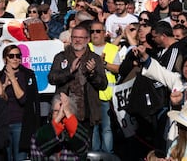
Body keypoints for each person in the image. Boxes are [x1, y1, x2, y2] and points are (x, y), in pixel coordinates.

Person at [0, 45, 40, 161]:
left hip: (20, 123)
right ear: (5, 59)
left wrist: (13, 79)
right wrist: (4, 85)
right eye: (11, 56)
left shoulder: (27, 75)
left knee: (20, 158)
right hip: (3, 123)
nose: (15, 59)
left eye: (18, 56)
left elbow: (23, 99)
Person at [48, 25, 108, 131]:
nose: (77, 40)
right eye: (74, 37)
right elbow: (52, 79)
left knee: (85, 146)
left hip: (86, 114)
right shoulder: (61, 57)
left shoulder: (95, 58)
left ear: (88, 39)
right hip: (64, 113)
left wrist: (92, 74)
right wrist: (69, 71)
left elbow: (103, 85)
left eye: (81, 38)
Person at [88, 21, 120, 153]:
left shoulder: (112, 49)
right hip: (90, 94)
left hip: (106, 95)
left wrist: (104, 63)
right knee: (93, 127)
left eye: (98, 31)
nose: (95, 34)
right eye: (92, 31)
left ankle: (108, 155)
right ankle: (95, 154)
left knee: (106, 128)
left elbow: (118, 69)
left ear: (104, 33)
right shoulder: (86, 47)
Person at [30, 92, 89, 160]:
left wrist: (67, 112)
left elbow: (82, 142)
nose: (61, 114)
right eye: (56, 111)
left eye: (63, 111)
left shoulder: (82, 134)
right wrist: (58, 119)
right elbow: (39, 141)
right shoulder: (40, 135)